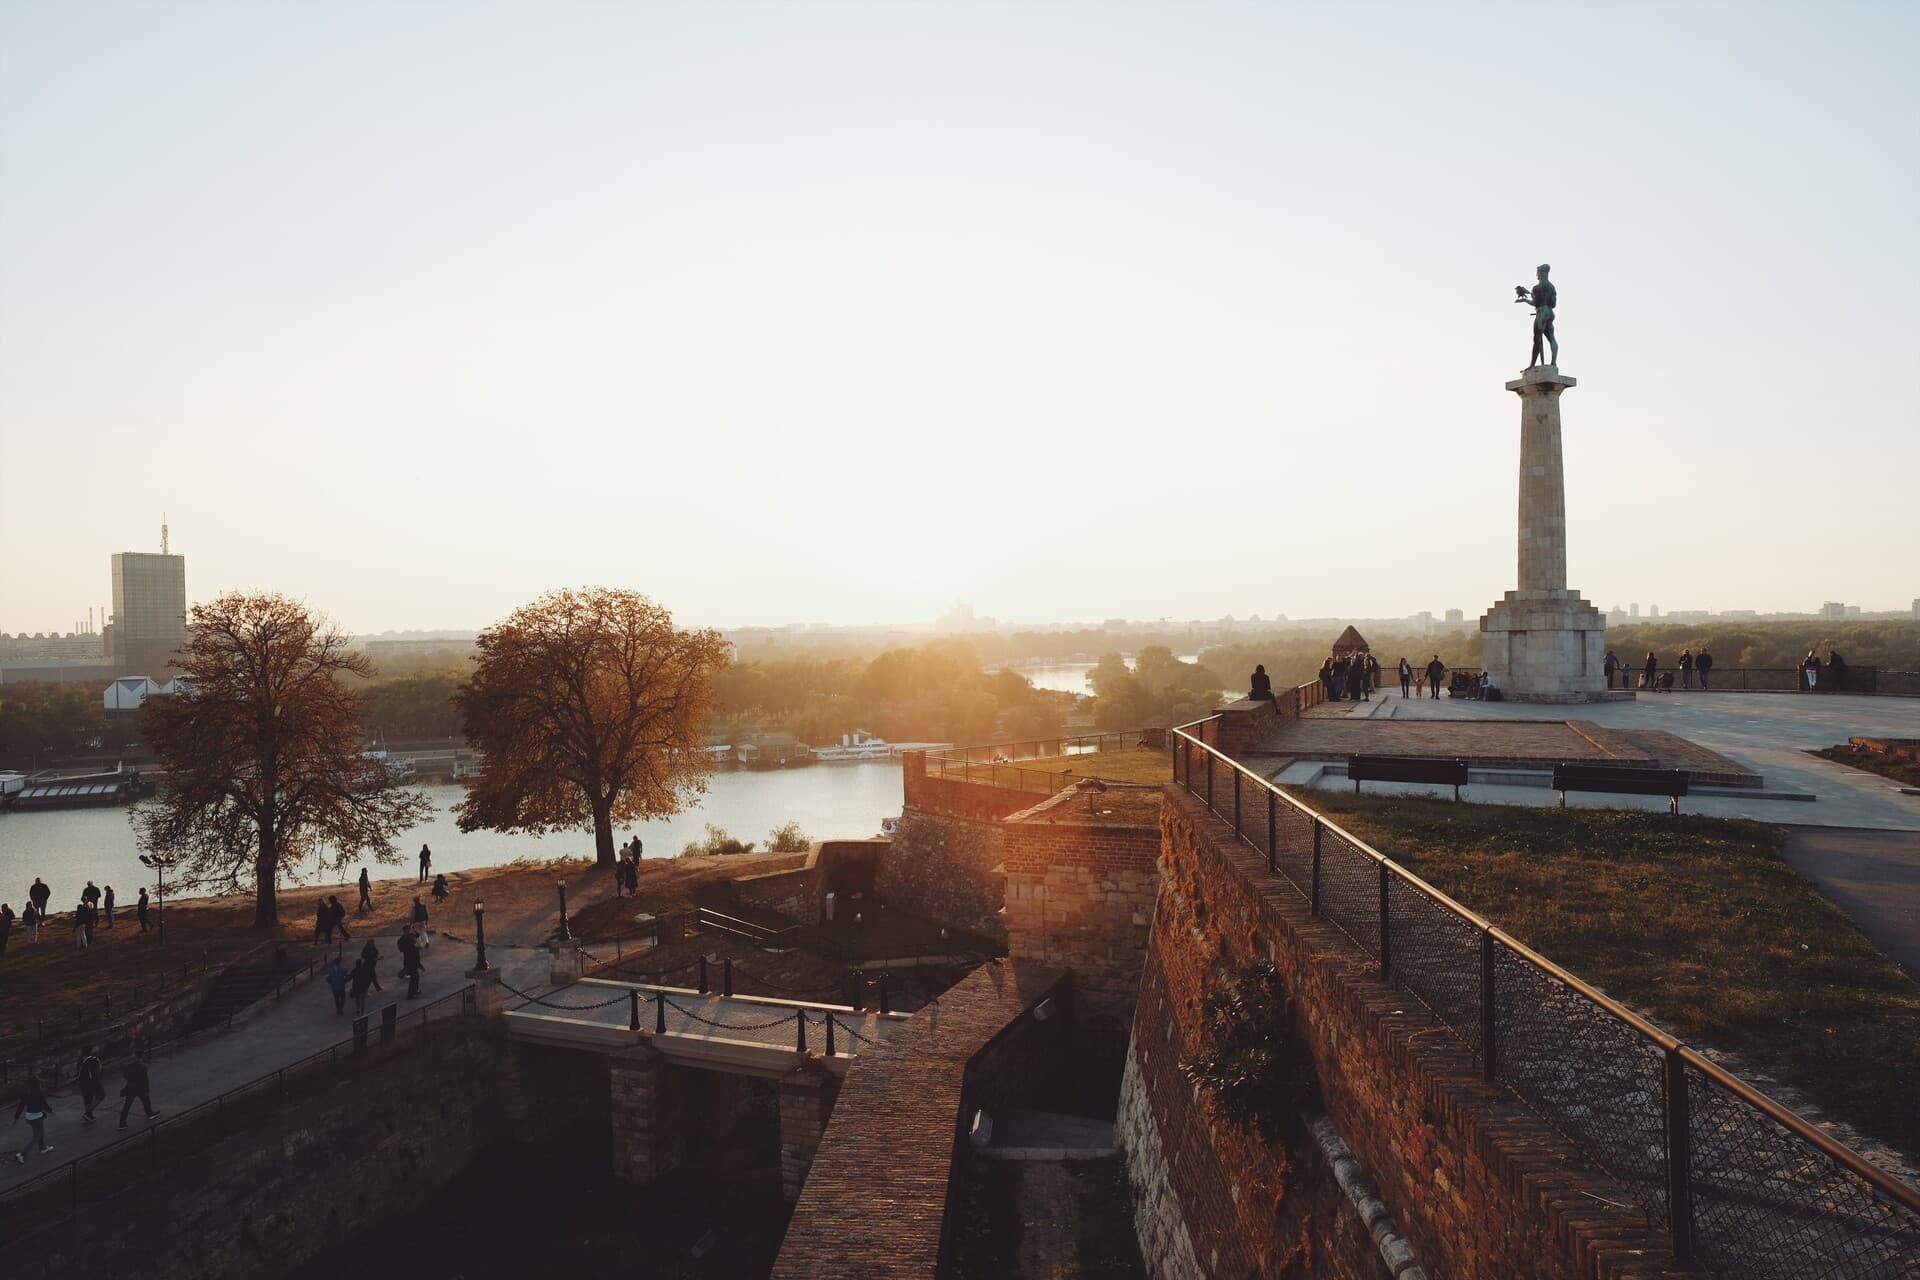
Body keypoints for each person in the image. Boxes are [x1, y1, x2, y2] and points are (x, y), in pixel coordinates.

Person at [11, 1073, 54, 1163]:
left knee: (38, 1133)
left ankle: (42, 1148)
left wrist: (16, 1117)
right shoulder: (39, 1092)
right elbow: (44, 1104)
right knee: (38, 1135)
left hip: (29, 1117)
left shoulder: (26, 1092)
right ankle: (22, 1154)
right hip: (37, 1117)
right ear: (37, 1083)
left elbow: (21, 1106)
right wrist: (50, 1111)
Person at [118, 1057, 159, 1127]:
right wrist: (146, 1089)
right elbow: (144, 1080)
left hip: (131, 1088)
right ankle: (150, 1113)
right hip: (141, 1088)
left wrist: (125, 1089)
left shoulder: (128, 1069)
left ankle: (122, 1123)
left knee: (127, 1106)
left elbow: (127, 1078)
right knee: (146, 1101)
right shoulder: (143, 1067)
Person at [78, 1046, 105, 1122]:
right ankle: (88, 1113)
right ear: (91, 1051)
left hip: (82, 1082)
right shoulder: (94, 1059)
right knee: (101, 1095)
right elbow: (98, 1071)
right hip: (92, 1081)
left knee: (87, 1098)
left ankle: (89, 1116)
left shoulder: (81, 1060)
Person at [398, 927, 423, 998]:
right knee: (414, 978)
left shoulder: (409, 937)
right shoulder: (405, 941)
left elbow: (417, 935)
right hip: (411, 964)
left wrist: (414, 931)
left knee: (416, 977)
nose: (415, 940)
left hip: (412, 964)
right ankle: (411, 993)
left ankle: (415, 990)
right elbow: (401, 947)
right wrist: (419, 965)